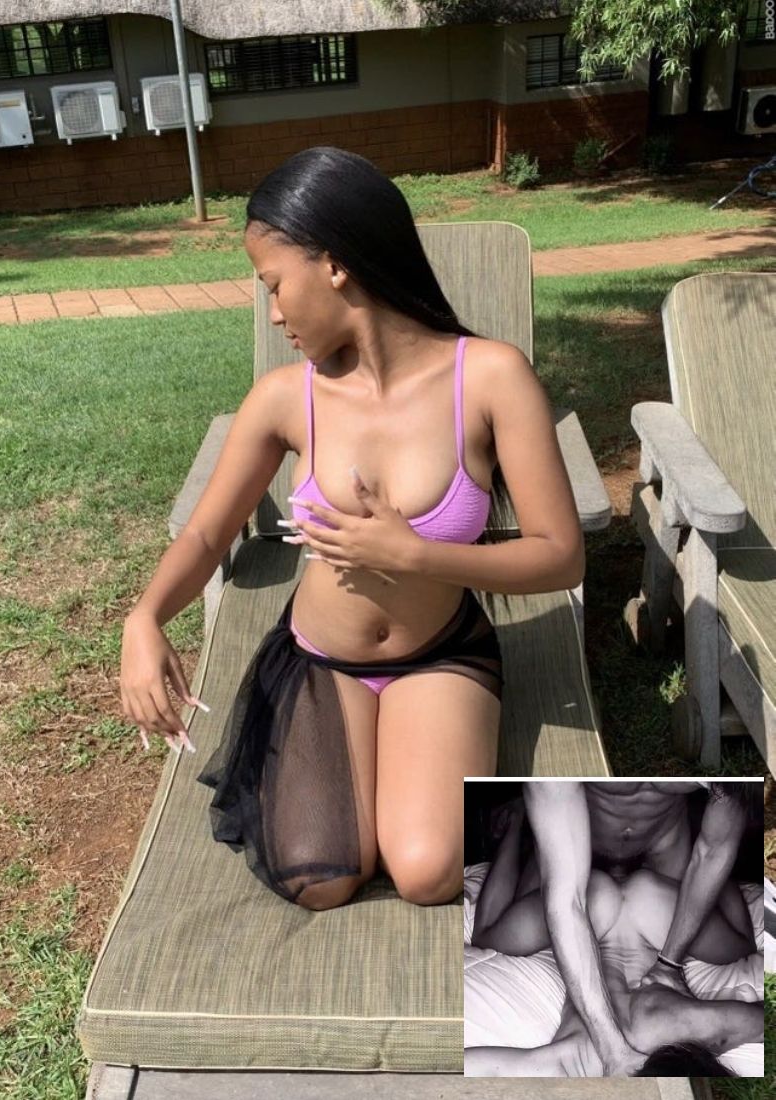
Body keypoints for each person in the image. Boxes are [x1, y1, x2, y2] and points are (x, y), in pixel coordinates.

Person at [119, 146, 584, 910]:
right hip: (319, 661)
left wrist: (418, 554)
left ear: (333, 264)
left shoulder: (490, 378)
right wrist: (144, 618)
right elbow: (204, 536)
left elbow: (561, 556)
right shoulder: (285, 399)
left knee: (427, 872)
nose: (273, 313)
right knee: (322, 879)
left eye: (274, 285)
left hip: (441, 656)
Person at [473, 782, 755, 1074]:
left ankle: (519, 826)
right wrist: (667, 965)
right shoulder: (571, 1062)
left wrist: (616, 1053)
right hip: (629, 888)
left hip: (636, 883)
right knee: (741, 944)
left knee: (489, 933)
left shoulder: (706, 1026)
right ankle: (525, 825)